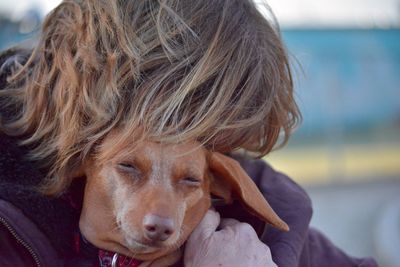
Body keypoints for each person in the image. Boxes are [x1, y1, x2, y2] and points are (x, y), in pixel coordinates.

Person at [0, 0, 378, 266]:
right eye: (190, 122)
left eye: (219, 137)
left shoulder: (245, 204)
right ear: (97, 96)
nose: (209, 151)